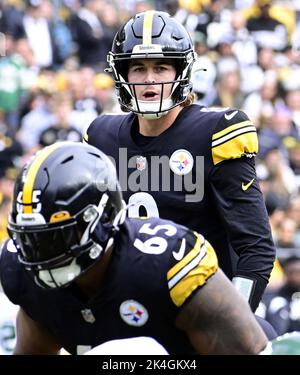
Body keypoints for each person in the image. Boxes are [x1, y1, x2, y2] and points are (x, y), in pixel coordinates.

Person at [83, 10, 275, 312]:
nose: (149, 79)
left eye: (161, 67)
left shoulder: (216, 132)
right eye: (137, 68)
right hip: (126, 310)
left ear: (181, 73)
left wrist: (229, 320)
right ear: (121, 74)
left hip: (200, 309)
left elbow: (256, 249)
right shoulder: (100, 137)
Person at [0, 142, 267, 355]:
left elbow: (249, 350)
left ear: (103, 218)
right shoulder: (26, 277)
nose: (41, 256)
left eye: (56, 238)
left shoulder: (166, 264)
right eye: (31, 240)